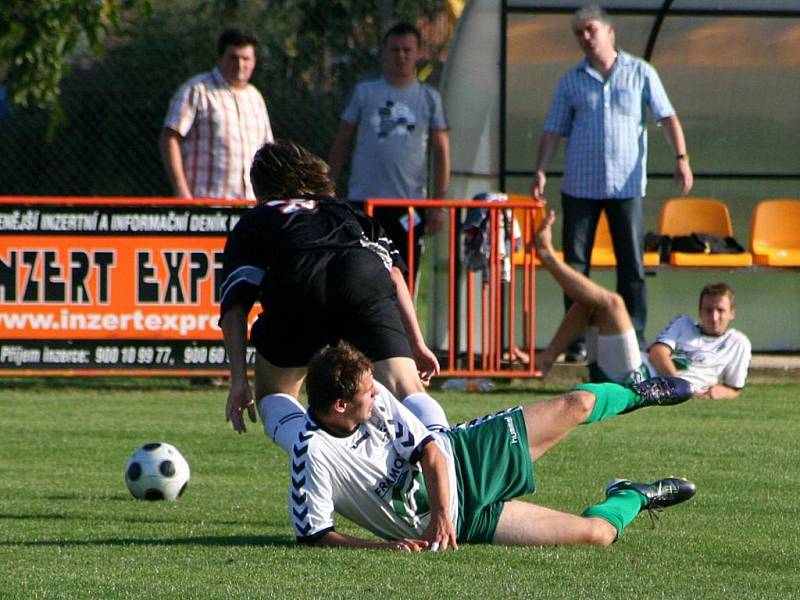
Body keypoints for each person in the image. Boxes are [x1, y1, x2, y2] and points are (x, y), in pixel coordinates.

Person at [281, 340, 695, 550]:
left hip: (466, 457)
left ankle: (638, 393)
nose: (377, 396)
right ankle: (631, 496)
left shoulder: (373, 396)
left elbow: (429, 451)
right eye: (367, 395)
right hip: (468, 524)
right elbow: (317, 535)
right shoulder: (312, 454)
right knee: (598, 534)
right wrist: (385, 547)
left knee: (578, 404)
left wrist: (441, 514)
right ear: (339, 405)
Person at [219, 140, 448, 441]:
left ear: (261, 188)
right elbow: (393, 275)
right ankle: (445, 453)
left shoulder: (256, 220)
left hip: (299, 282)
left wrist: (238, 380)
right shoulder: (348, 211)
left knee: (275, 396)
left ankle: (314, 454)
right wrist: (416, 344)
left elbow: (235, 308)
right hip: (359, 275)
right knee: (407, 388)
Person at [530, 5, 693, 355]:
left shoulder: (640, 72)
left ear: (609, 32)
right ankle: (575, 342)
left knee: (631, 263)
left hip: (626, 187)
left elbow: (667, 117)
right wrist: (541, 169)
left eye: (590, 30)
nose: (585, 38)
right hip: (580, 187)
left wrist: (681, 159)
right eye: (578, 33)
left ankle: (632, 335)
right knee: (575, 265)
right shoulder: (571, 80)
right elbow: (553, 130)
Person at [534, 210, 751, 400]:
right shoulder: (684, 323)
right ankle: (546, 359)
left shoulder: (737, 342)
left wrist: (725, 394)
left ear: (732, 313)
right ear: (699, 311)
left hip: (637, 383)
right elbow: (657, 353)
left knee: (611, 303)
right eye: (708, 310)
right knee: (593, 303)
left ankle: (547, 255)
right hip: (638, 372)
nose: (714, 316)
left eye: (720, 311)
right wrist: (678, 388)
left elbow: (734, 388)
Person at [327, 21, 450, 280]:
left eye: (407, 50)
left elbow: (441, 151)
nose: (401, 56)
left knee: (404, 277)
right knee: (362, 276)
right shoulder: (365, 93)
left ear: (418, 53)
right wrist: (328, 187)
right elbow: (342, 141)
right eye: (395, 50)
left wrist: (437, 204)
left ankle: (403, 323)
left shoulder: (429, 98)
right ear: (384, 52)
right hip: (365, 202)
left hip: (409, 205)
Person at [160, 29, 274, 200]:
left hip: (249, 205)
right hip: (206, 205)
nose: (240, 65)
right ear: (220, 58)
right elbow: (169, 138)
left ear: (254, 61)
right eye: (233, 58)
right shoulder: (196, 91)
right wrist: (181, 190)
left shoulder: (255, 97)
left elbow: (267, 150)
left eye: (246, 59)